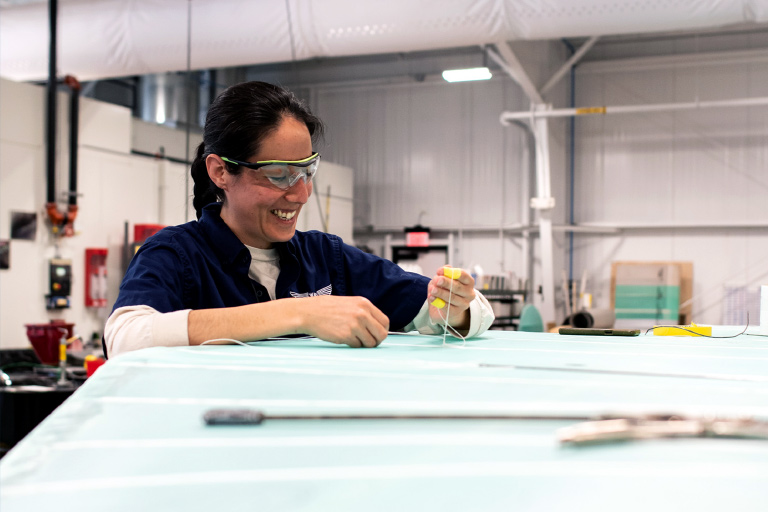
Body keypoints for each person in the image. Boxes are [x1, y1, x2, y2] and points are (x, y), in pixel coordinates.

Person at [104, 81, 493, 358]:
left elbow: (466, 312)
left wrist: (452, 307)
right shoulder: (176, 255)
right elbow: (125, 338)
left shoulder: (325, 257)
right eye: (278, 175)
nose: (301, 193)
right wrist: (299, 313)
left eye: (306, 171)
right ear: (220, 171)